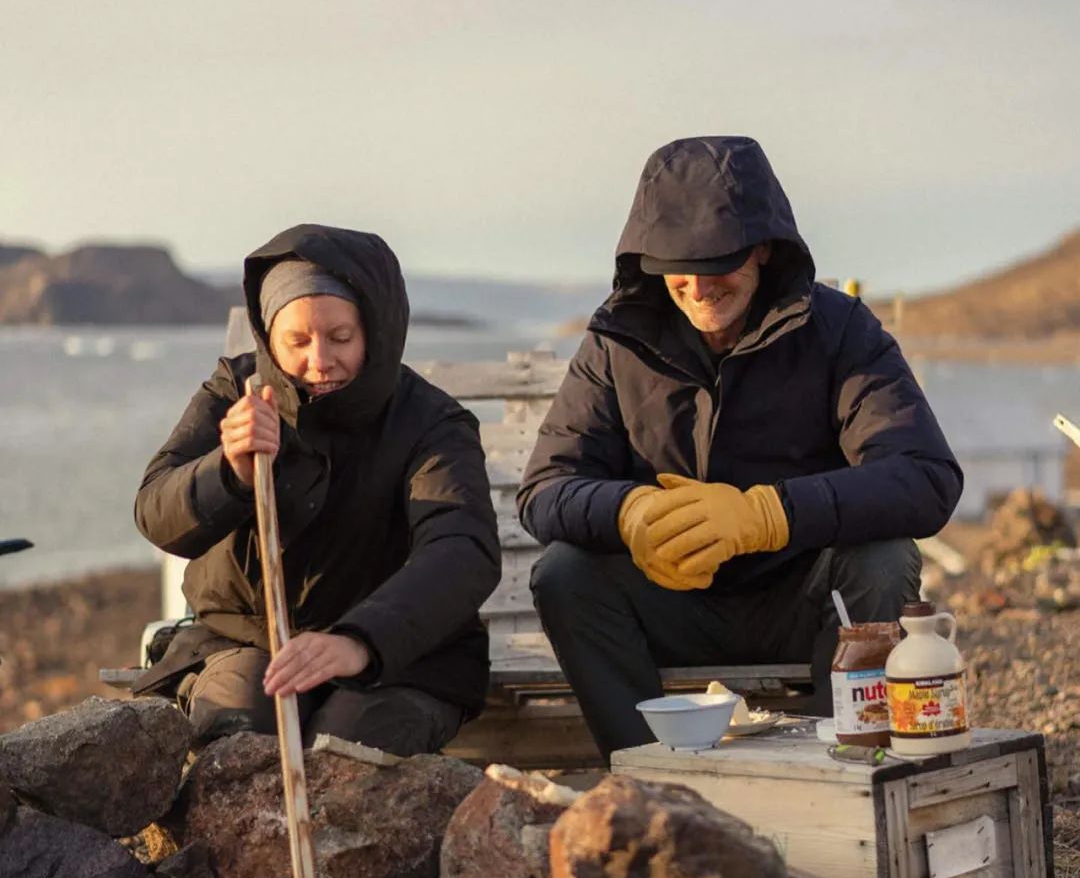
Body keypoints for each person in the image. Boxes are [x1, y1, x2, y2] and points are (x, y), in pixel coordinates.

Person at [517, 136, 963, 758]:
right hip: (669, 606)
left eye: (718, 263)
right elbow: (545, 489)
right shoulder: (616, 341)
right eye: (680, 265)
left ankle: (847, 768)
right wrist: (632, 513)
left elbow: (926, 478)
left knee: (883, 557)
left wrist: (768, 515)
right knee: (565, 574)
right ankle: (646, 779)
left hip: (801, 606)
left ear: (762, 248)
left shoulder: (840, 331)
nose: (699, 287)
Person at [134, 224, 500, 755]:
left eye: (341, 338)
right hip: (245, 639)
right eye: (297, 342)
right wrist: (229, 470)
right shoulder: (234, 392)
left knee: (346, 753)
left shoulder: (431, 422)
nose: (320, 360)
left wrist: (361, 640)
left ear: (375, 330)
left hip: (401, 656)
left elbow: (462, 549)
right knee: (244, 744)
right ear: (268, 339)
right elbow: (154, 512)